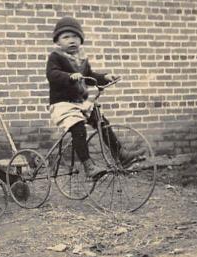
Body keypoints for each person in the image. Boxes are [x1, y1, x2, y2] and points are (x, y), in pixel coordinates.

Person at [45, 16, 140, 179]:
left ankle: (120, 154)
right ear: (58, 42)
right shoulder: (56, 57)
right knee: (78, 127)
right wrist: (69, 76)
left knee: (101, 121)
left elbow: (90, 76)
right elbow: (52, 74)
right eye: (66, 37)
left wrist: (105, 77)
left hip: (80, 103)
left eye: (75, 36)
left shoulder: (82, 60)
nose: (71, 40)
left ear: (80, 39)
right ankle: (88, 165)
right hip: (63, 104)